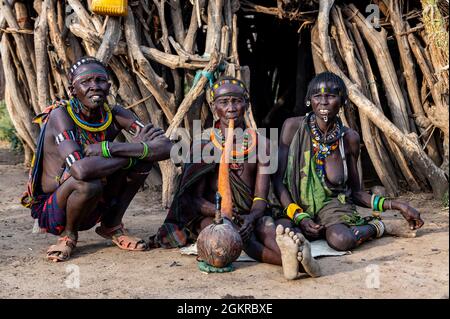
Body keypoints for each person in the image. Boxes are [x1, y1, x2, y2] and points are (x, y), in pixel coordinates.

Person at [152, 77, 320, 279]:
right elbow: (194, 199)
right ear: (214, 107)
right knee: (229, 238)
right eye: (224, 102)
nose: (231, 107)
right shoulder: (203, 145)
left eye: (236, 101)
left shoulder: (262, 144)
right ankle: (298, 264)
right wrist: (224, 214)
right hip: (213, 216)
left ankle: (291, 255)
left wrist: (251, 217)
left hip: (251, 213)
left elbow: (260, 196)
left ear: (246, 105)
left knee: (267, 229)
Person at [21, 57, 172, 262]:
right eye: (86, 82)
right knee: (88, 182)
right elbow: (80, 171)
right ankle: (68, 235)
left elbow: (167, 147)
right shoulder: (61, 115)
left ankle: (111, 225)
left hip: (96, 197)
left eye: (100, 81)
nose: (95, 87)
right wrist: (132, 154)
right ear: (72, 90)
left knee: (142, 161)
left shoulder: (115, 114)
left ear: (109, 86)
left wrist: (108, 148)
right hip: (55, 209)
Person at [272, 72, 424, 271]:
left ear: (342, 101)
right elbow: (277, 181)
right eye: (317, 96)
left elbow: (357, 193)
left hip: (333, 207)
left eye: (331, 96)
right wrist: (300, 216)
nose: (324, 102)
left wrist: (397, 205)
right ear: (309, 101)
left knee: (341, 239)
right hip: (292, 203)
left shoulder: (348, 139)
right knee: (281, 233)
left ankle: (380, 227)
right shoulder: (292, 127)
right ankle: (301, 258)